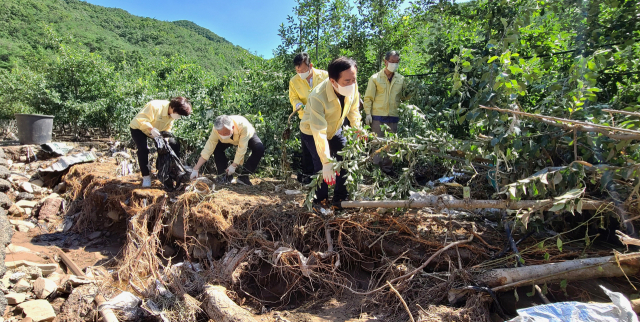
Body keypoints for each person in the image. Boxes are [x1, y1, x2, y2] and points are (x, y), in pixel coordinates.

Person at [300, 56, 362, 209]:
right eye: (347, 81)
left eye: (353, 79)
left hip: (335, 128)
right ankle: (319, 202)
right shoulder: (317, 96)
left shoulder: (352, 85)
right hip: (312, 131)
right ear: (333, 81)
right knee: (321, 167)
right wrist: (327, 162)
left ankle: (340, 200)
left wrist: (358, 129)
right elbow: (319, 132)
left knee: (345, 158)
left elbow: (353, 111)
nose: (352, 84)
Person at [363, 50, 413, 176]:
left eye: (397, 62)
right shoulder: (375, 78)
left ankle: (387, 171)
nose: (394, 64)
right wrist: (368, 113)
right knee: (377, 144)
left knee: (390, 145)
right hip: (378, 117)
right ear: (385, 62)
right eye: (392, 62)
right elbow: (368, 98)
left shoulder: (401, 79)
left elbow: (403, 97)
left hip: (393, 116)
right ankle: (376, 172)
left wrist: (412, 91)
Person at [130, 97, 192, 187]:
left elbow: (168, 127)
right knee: (143, 149)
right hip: (139, 128)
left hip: (157, 131)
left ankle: (166, 171)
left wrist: (165, 140)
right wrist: (150, 129)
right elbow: (141, 119)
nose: (178, 117)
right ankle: (146, 176)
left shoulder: (173, 113)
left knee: (173, 144)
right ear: (173, 108)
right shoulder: (154, 106)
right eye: (179, 114)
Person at [289, 52, 329, 184]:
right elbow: (293, 97)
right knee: (307, 149)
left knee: (323, 146)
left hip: (324, 117)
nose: (300, 73)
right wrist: (297, 104)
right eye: (297, 70)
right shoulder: (294, 81)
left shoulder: (325, 76)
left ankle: (325, 176)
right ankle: (309, 177)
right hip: (306, 118)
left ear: (310, 65)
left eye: (303, 70)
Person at [190, 115, 264, 186]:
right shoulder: (216, 129)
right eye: (220, 133)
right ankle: (223, 177)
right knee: (216, 148)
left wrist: (233, 165)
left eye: (225, 133)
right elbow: (208, 148)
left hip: (247, 136)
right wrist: (196, 169)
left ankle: (244, 177)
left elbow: (242, 148)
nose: (223, 135)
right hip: (228, 140)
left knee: (259, 148)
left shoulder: (243, 126)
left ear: (232, 127)